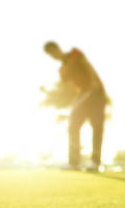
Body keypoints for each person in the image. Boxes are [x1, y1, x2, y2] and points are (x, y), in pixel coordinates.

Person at [44, 41, 107, 171]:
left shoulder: (75, 53)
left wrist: (96, 81)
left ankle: (95, 162)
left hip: (95, 92)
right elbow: (67, 90)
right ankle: (74, 162)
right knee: (73, 125)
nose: (53, 56)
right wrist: (48, 92)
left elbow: (88, 66)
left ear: (57, 48)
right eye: (49, 55)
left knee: (97, 125)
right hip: (83, 95)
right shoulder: (62, 70)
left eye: (52, 51)